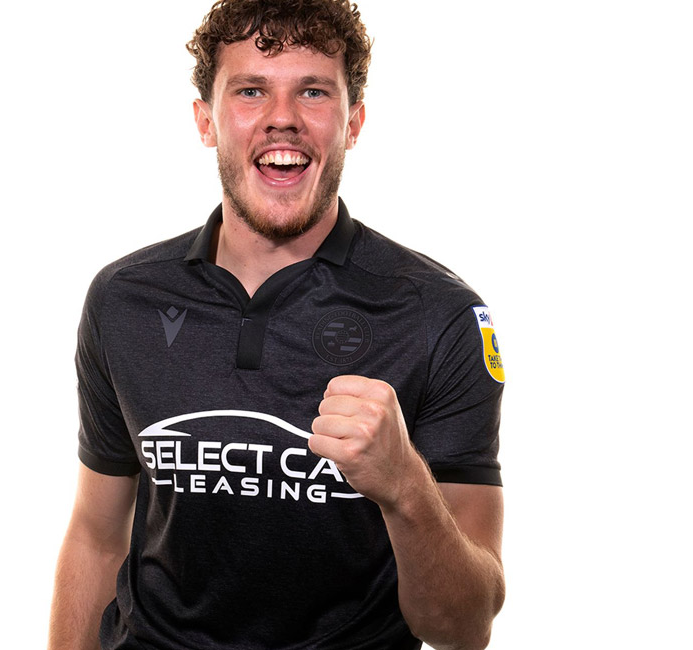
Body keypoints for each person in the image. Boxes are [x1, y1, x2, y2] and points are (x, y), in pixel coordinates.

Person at [48, 1, 506, 649]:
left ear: (354, 123)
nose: (282, 117)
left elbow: (463, 628)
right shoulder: (122, 300)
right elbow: (96, 538)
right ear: (206, 121)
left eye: (313, 91)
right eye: (251, 91)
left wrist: (405, 485)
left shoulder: (440, 316)